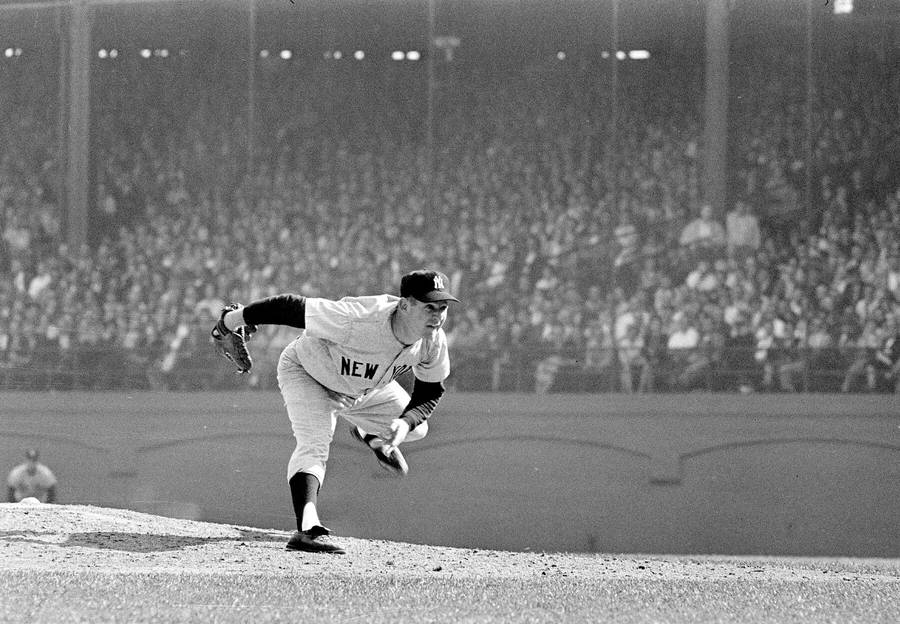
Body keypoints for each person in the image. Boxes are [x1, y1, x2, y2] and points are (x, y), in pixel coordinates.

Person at [213, 269, 460, 555]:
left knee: (417, 428)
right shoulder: (358, 319)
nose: (437, 315)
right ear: (404, 305)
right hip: (309, 375)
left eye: (442, 308)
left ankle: (370, 434)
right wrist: (230, 322)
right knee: (313, 447)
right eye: (429, 306)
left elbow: (430, 392)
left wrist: (404, 424)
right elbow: (291, 307)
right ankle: (307, 529)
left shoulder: (433, 340)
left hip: (363, 390)